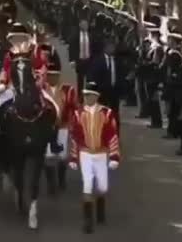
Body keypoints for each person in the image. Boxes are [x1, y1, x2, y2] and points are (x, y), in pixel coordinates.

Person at [69, 82, 120, 234]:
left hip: (102, 154)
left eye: (89, 95)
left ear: (96, 96)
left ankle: (100, 209)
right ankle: (88, 221)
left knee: (102, 187)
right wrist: (73, 157)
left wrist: (114, 156)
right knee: (87, 185)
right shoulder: (78, 114)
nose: (86, 97)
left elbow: (112, 135)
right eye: (84, 95)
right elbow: (75, 137)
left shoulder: (107, 113)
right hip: (85, 154)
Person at [42, 63, 78, 193]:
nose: (52, 78)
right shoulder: (41, 91)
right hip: (47, 128)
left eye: (55, 76)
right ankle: (51, 184)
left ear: (59, 76)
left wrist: (74, 125)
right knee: (48, 156)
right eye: (50, 76)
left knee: (62, 156)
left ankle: (61, 179)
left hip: (63, 127)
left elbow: (75, 108)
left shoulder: (68, 90)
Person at [87, 38, 123, 133]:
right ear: (105, 48)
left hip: (114, 91)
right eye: (110, 47)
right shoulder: (98, 61)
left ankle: (115, 133)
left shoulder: (117, 60)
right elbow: (92, 76)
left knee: (114, 113)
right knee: (102, 112)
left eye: (113, 47)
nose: (112, 49)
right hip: (102, 91)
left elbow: (120, 74)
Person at [68, 18, 94, 98]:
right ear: (80, 25)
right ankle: (80, 96)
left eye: (86, 24)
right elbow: (71, 48)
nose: (85, 26)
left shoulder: (91, 35)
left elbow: (93, 47)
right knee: (80, 79)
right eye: (83, 24)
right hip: (80, 60)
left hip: (89, 60)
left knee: (90, 79)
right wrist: (72, 60)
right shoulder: (75, 35)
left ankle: (89, 95)